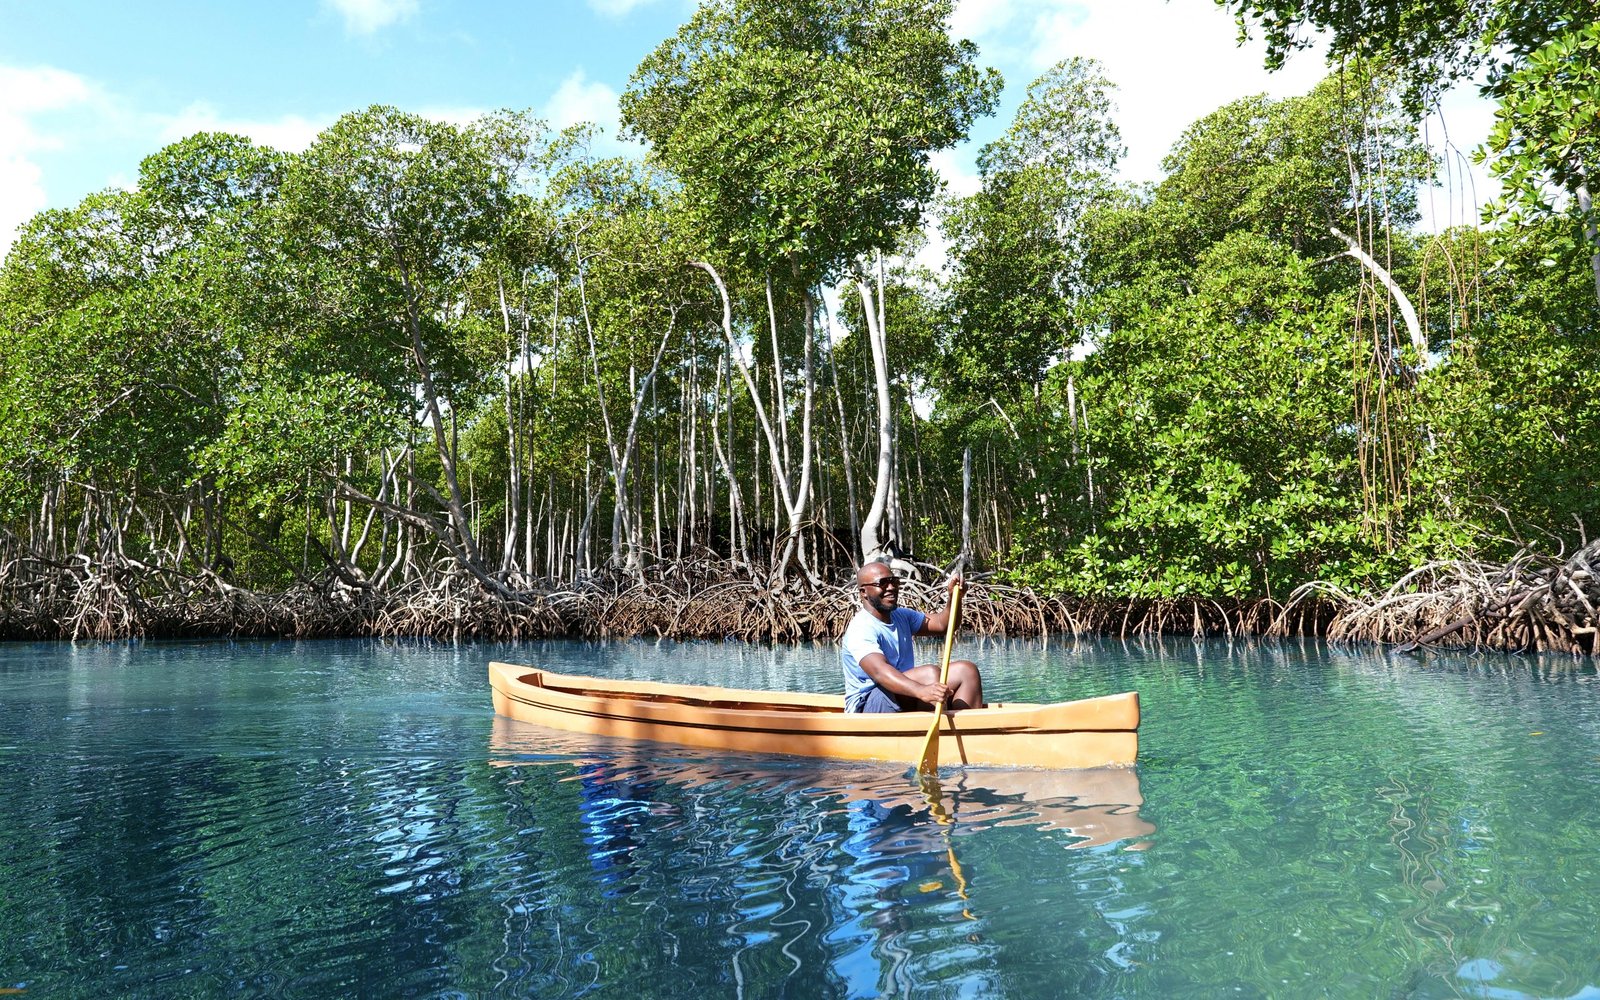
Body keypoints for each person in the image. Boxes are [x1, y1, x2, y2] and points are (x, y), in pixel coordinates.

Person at [840, 560, 984, 713]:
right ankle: (928, 730)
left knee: (966, 671)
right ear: (864, 592)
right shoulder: (861, 627)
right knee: (929, 674)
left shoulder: (902, 616)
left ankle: (966, 732)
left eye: (894, 581)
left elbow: (944, 625)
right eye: (882, 583)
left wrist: (955, 598)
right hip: (867, 705)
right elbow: (880, 672)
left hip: (903, 693)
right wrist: (922, 691)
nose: (891, 587)